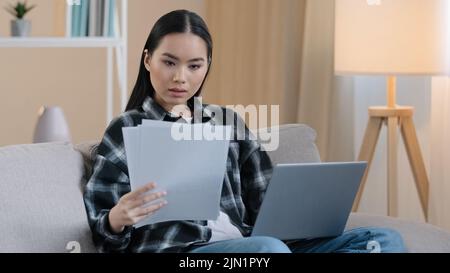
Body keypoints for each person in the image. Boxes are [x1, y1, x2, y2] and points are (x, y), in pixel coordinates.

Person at [83, 9, 406, 253]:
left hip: (248, 244)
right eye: (169, 62)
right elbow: (103, 231)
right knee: (269, 251)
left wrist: (300, 212)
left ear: (207, 66)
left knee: (382, 240)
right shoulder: (126, 129)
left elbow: (265, 199)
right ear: (148, 60)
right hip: (184, 251)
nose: (180, 77)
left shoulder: (227, 122)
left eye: (194, 65)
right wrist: (118, 217)